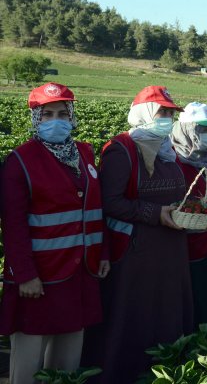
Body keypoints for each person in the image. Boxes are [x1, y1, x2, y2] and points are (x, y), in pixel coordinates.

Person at [0, 83, 109, 384]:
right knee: (29, 357)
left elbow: (96, 209)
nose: (55, 120)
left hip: (79, 273)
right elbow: (13, 225)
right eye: (46, 114)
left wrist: (103, 254)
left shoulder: (85, 153)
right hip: (40, 276)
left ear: (72, 116)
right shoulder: (19, 161)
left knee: (68, 355)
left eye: (62, 113)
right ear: (35, 118)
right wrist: (24, 274)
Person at [82, 86, 191, 384]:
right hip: (136, 253)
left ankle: (163, 371)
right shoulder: (121, 150)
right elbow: (111, 201)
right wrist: (155, 214)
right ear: (143, 113)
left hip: (170, 250)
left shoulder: (169, 150)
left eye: (171, 113)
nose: (168, 118)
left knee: (165, 312)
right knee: (134, 315)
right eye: (162, 112)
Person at [171, 102, 207, 327]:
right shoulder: (174, 162)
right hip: (190, 245)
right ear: (187, 129)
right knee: (194, 297)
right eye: (203, 129)